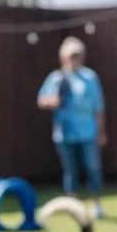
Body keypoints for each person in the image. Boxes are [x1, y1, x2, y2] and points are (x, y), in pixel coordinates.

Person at [37, 37, 107, 219]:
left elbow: (98, 106)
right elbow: (42, 100)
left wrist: (101, 131)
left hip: (88, 132)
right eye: (71, 55)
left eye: (78, 55)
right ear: (63, 57)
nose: (74, 59)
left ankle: (97, 205)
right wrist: (53, 101)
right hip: (64, 133)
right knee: (70, 171)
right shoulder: (56, 78)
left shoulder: (90, 77)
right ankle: (73, 207)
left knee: (93, 168)